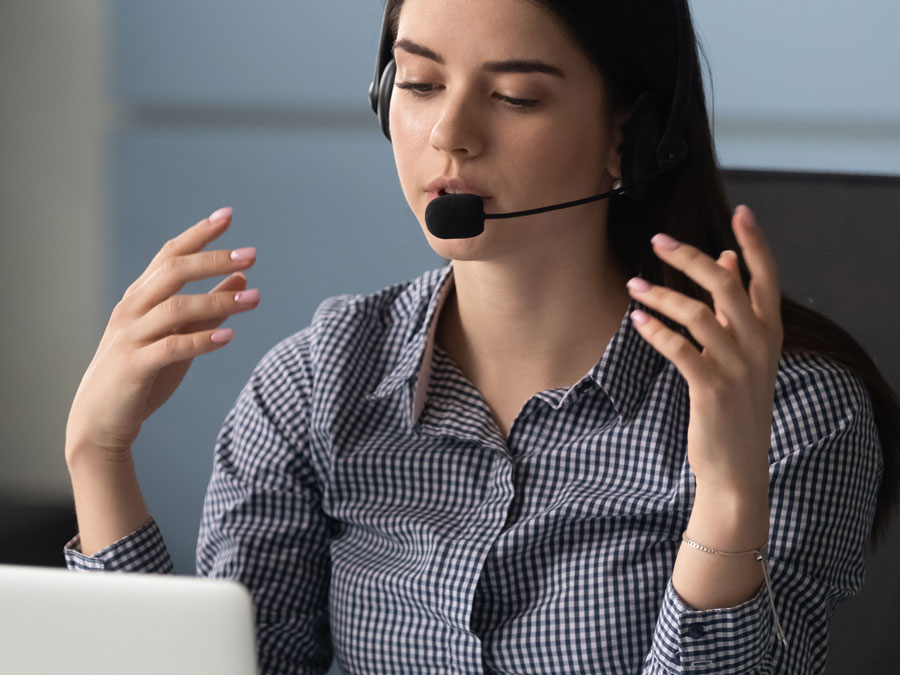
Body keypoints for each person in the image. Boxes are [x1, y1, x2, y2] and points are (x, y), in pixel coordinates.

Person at [63, 0, 899, 673]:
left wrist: (724, 497)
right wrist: (99, 455)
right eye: (420, 82)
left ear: (630, 137)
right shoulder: (314, 388)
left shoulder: (790, 413)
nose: (449, 133)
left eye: (514, 96)